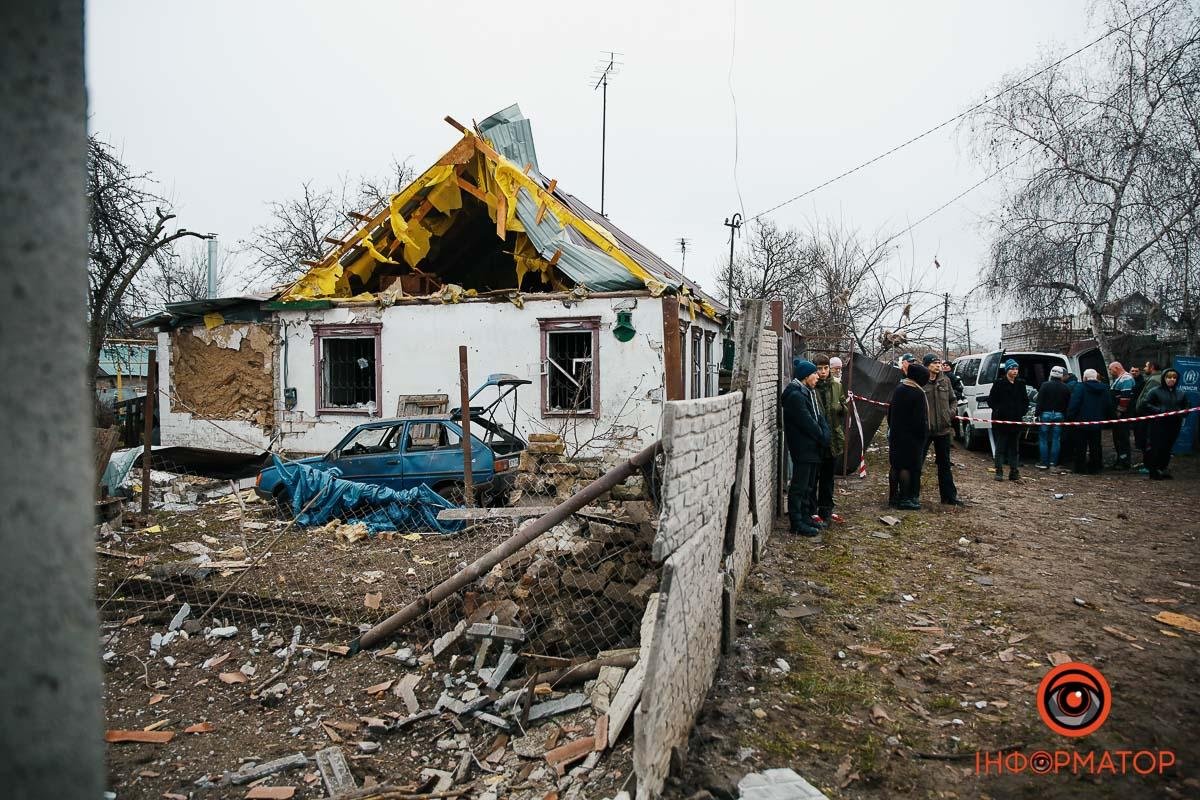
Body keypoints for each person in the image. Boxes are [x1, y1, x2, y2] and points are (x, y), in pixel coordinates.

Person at [782, 359, 830, 537]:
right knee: (800, 486)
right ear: (805, 376)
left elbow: (820, 417)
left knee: (809, 486)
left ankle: (805, 516)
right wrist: (821, 435)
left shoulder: (808, 392)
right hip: (803, 447)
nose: (817, 376)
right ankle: (797, 522)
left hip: (812, 447)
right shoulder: (795, 396)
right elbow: (807, 422)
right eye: (814, 373)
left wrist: (825, 433)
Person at [887, 362, 930, 510]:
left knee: (895, 466)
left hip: (896, 434)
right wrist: (922, 436)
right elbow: (920, 420)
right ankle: (905, 498)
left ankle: (893, 497)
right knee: (907, 467)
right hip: (911, 437)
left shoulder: (899, 388)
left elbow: (890, 411)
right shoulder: (917, 393)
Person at [921, 355, 962, 505]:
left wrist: (950, 414)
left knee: (945, 465)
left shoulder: (945, 380)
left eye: (939, 363)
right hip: (925, 430)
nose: (938, 365)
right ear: (926, 365)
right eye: (934, 363)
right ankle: (911, 495)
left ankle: (949, 497)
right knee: (918, 463)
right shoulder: (921, 382)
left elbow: (953, 400)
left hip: (943, 430)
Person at [812, 355, 846, 525]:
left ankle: (826, 509)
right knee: (813, 477)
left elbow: (843, 406)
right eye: (820, 368)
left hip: (833, 438)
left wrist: (840, 407)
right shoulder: (812, 386)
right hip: (816, 440)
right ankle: (811, 510)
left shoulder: (837, 385)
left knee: (828, 478)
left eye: (826, 368)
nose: (823, 372)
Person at [1141, 368, 1187, 480]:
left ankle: (1163, 468)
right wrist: (1160, 410)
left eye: (1174, 377)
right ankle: (1154, 470)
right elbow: (1145, 403)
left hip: (1174, 424)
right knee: (1156, 447)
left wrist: (1184, 412)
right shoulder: (1155, 391)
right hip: (1158, 424)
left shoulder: (1181, 393)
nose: (1171, 380)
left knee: (1168, 447)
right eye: (1169, 377)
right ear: (1164, 378)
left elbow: (1186, 405)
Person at [987, 358, 1028, 481]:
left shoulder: (1020, 383)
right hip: (1002, 421)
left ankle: (1014, 472)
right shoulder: (999, 383)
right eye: (1012, 369)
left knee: (1014, 448)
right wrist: (999, 410)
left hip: (1016, 421)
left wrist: (1021, 411)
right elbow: (991, 401)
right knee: (1000, 448)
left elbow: (1025, 400)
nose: (1015, 371)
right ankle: (999, 471)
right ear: (1007, 370)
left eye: (1016, 369)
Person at [1067, 368, 1115, 474]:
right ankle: (1095, 467)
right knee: (1096, 445)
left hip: (1081, 421)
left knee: (1080, 446)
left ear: (1085, 377)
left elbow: (1075, 403)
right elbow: (1108, 405)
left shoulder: (1081, 387)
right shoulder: (1104, 388)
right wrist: (1108, 419)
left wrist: (1070, 416)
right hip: (1097, 422)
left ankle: (1080, 467)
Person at [1035, 365, 1072, 469]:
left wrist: (1037, 414)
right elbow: (1068, 403)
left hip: (1046, 414)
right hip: (1059, 414)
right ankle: (1053, 462)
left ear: (1051, 374)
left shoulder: (1045, 385)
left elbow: (1040, 401)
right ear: (1061, 375)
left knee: (1043, 438)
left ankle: (1043, 462)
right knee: (1056, 439)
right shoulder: (1066, 387)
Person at [1107, 361, 1135, 469]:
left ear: (1117, 368)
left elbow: (1125, 398)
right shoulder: (1120, 379)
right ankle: (1120, 459)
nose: (1110, 372)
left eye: (1111, 369)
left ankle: (1124, 461)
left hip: (1122, 416)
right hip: (1118, 415)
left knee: (1122, 438)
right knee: (1117, 438)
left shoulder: (1126, 379)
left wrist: (1119, 412)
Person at [1130, 365, 1147, 467]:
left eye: (1136, 371)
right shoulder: (1129, 380)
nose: (1134, 373)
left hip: (1139, 408)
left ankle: (1139, 443)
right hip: (1132, 407)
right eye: (1132, 371)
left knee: (1139, 427)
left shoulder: (1142, 382)